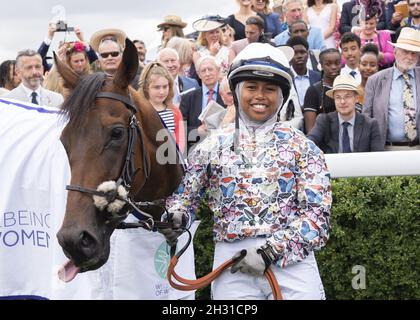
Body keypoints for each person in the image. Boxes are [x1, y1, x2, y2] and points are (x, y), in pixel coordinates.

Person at [159, 42, 332, 300]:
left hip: (291, 265)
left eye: (269, 89)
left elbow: (317, 217)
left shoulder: (303, 148)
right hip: (233, 265)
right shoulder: (211, 146)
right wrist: (176, 217)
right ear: (238, 91)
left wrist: (270, 252)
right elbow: (186, 197)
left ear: (282, 96)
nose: (260, 96)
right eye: (251, 87)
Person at [363, 27, 420, 150]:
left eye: (414, 53)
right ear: (395, 51)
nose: (410, 57)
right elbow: (366, 118)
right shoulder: (375, 80)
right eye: (405, 51)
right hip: (387, 149)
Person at [307, 74, 384, 153]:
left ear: (357, 98)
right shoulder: (324, 121)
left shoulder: (370, 124)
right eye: (338, 97)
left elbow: (378, 156)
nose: (342, 102)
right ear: (334, 100)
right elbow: (309, 142)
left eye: (347, 96)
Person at [138, 62, 186, 153]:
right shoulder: (140, 111)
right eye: (156, 87)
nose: (162, 92)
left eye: (165, 87)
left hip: (171, 161)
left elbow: (181, 140)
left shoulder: (174, 111)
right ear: (146, 88)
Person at [303, 48, 341, 133]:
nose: (334, 67)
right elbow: (311, 130)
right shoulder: (313, 90)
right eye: (328, 64)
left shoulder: (347, 87)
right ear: (321, 65)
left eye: (337, 63)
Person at [286, 36, 321, 108]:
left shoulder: (318, 77)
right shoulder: (285, 77)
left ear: (308, 54)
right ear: (289, 56)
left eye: (302, 52)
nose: (299, 56)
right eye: (295, 53)